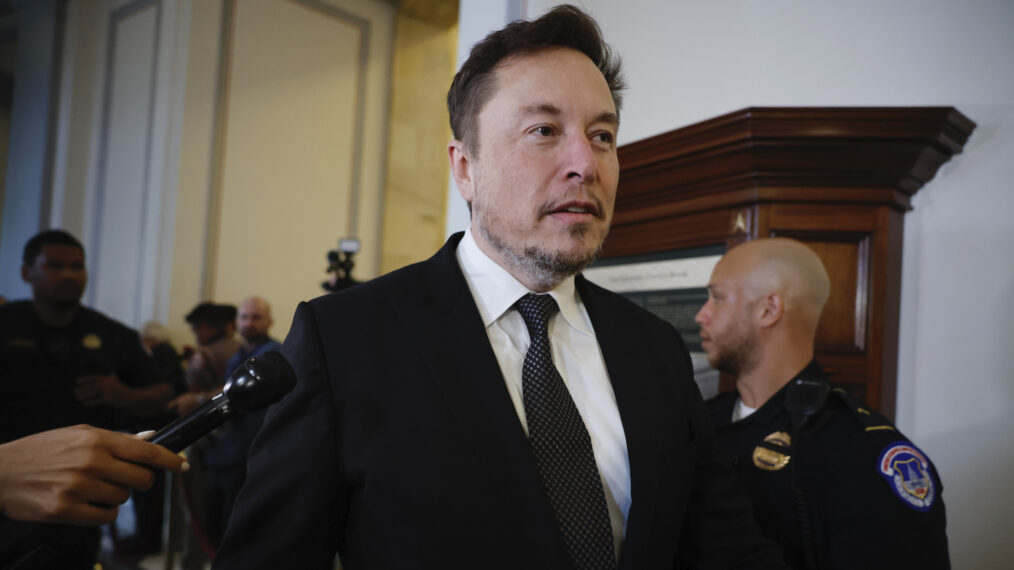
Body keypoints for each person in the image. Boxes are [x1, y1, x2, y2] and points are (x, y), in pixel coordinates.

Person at [215, 6, 786, 570]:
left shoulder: (654, 348)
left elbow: (723, 546)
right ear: (465, 167)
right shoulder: (344, 340)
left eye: (603, 135)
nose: (585, 163)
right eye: (543, 130)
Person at [696, 238, 950, 569]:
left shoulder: (863, 453)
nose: (702, 314)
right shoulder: (700, 422)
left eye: (717, 298)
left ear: (769, 309)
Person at [0, 229, 177, 568]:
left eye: (77, 266)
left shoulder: (111, 335)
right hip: (8, 488)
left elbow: (163, 393)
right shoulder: (5, 325)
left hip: (77, 498)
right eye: (55, 265)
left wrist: (123, 395)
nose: (68, 274)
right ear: (26, 273)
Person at [201, 297, 282, 550]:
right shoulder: (239, 354)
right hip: (223, 453)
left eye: (256, 317)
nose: (249, 323)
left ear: (269, 321)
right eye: (244, 317)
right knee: (212, 527)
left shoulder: (273, 354)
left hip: (251, 454)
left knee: (239, 530)